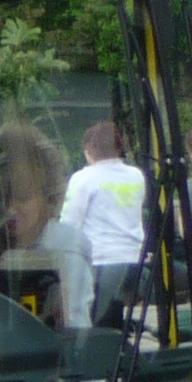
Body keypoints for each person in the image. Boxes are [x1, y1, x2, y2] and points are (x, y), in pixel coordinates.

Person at [58, 121, 149, 320]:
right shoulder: (136, 175)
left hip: (100, 261)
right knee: (114, 317)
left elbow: (70, 223)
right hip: (133, 260)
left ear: (89, 149)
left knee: (95, 322)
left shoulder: (84, 178)